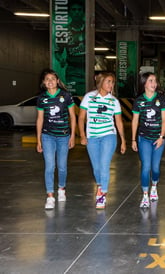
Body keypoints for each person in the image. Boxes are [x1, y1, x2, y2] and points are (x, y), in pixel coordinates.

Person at [78, 72, 126, 209]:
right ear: (101, 82)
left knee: (104, 164)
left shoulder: (114, 101)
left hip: (109, 136)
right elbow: (81, 118)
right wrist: (82, 135)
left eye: (113, 82)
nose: (111, 85)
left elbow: (118, 121)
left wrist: (123, 139)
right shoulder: (89, 97)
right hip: (92, 137)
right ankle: (99, 185)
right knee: (97, 167)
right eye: (108, 81)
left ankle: (102, 193)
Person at [36, 69, 76, 210]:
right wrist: (38, 139)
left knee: (62, 166)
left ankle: (61, 189)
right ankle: (50, 196)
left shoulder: (66, 96)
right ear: (44, 83)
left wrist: (72, 136)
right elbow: (40, 119)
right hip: (47, 136)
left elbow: (73, 117)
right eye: (47, 79)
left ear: (57, 81)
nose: (50, 81)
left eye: (53, 78)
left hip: (63, 136)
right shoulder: (42, 98)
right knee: (49, 166)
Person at [131, 72, 165, 208]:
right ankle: (145, 195)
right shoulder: (139, 100)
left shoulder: (161, 99)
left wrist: (161, 137)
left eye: (155, 81)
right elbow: (135, 121)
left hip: (158, 138)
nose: (154, 83)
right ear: (144, 83)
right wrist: (133, 139)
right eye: (151, 81)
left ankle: (154, 186)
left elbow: (164, 120)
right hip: (143, 138)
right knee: (146, 167)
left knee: (155, 168)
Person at [54, 0, 86, 94]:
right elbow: (57, 52)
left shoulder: (90, 30)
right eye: (74, 9)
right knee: (74, 94)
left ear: (83, 12)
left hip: (87, 68)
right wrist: (61, 59)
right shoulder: (63, 31)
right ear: (69, 12)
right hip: (73, 70)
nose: (77, 12)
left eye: (79, 10)